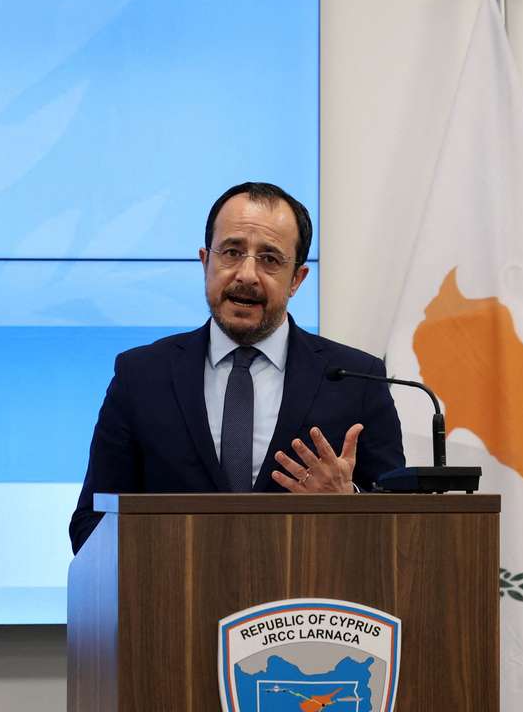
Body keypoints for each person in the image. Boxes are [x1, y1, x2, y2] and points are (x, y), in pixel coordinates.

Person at [69, 182, 404, 554]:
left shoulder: (357, 379)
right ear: (204, 262)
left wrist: (349, 501)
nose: (246, 274)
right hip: (174, 603)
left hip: (307, 607)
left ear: (297, 280)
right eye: (231, 252)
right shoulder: (140, 376)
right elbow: (90, 525)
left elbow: (402, 532)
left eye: (270, 259)